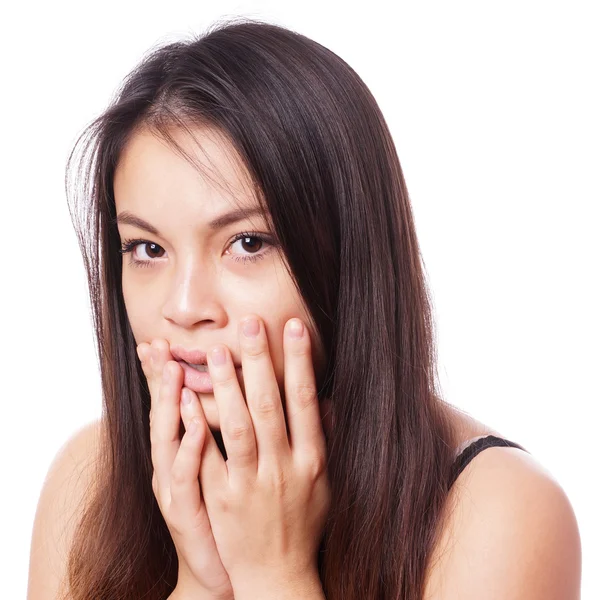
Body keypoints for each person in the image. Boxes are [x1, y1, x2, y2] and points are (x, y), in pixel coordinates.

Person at [27, 17, 581, 600]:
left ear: (347, 255)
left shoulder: (497, 510)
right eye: (147, 248)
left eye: (247, 243)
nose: (184, 307)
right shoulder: (89, 475)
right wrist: (201, 584)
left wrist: (275, 575)